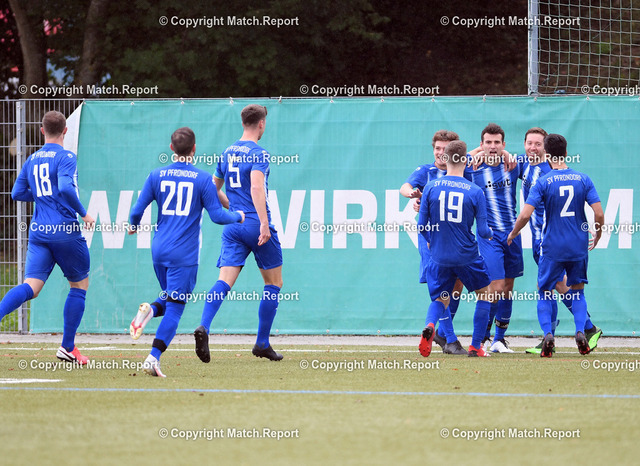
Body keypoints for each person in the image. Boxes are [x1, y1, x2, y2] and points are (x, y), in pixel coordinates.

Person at [128, 127, 244, 377]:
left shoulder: (156, 175)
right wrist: (238, 216)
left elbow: (137, 210)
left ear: (171, 148)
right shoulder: (202, 179)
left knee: (170, 297)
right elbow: (217, 216)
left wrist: (133, 225)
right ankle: (153, 358)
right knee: (176, 307)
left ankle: (149, 311)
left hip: (159, 250)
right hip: (184, 254)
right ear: (194, 149)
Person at [0, 110, 95, 364]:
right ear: (65, 130)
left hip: (39, 232)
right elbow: (65, 187)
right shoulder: (66, 157)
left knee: (31, 287)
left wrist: (43, 195)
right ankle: (67, 347)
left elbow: (17, 193)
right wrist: (84, 214)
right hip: (64, 231)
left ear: (42, 131)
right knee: (79, 286)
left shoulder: (32, 159)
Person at [194, 104, 284, 363]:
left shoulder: (227, 152)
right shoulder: (259, 153)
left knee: (224, 281)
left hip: (234, 224)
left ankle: (204, 326)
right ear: (261, 124)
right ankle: (262, 343)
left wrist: (231, 209)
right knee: (273, 283)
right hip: (256, 223)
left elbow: (212, 189)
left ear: (243, 123)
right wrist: (264, 223)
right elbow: (257, 187)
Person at [507, 133, 604, 357]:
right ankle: (580, 331)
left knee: (544, 291)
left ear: (547, 155)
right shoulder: (583, 179)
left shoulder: (543, 182)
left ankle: (548, 335)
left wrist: (514, 232)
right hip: (578, 245)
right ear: (567, 153)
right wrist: (598, 234)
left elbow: (525, 215)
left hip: (551, 246)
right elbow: (598, 213)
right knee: (577, 291)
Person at [417, 140, 495, 358]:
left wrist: (430, 240)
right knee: (485, 295)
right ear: (466, 161)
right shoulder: (475, 191)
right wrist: (491, 233)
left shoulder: (431, 187)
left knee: (441, 298)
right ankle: (476, 347)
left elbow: (421, 225)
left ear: (446, 159)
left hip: (439, 255)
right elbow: (483, 231)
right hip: (466, 255)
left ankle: (430, 326)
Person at [400, 130, 467, 355]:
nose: (440, 153)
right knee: (440, 288)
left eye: (445, 149)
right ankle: (450, 339)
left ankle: (441, 333)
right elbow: (404, 187)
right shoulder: (426, 171)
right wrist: (413, 195)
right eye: (437, 148)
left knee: (457, 284)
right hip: (431, 237)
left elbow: (479, 153)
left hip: (456, 238)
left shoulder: (462, 171)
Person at [469, 123, 523, 353]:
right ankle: (481, 338)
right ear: (481, 144)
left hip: (513, 234)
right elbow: (451, 158)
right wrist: (475, 153)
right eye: (488, 142)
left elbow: (539, 158)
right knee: (496, 287)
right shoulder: (471, 167)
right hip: (490, 237)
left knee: (508, 287)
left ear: (503, 144)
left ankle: (499, 340)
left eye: (497, 143)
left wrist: (508, 155)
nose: (492, 146)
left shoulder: (514, 164)